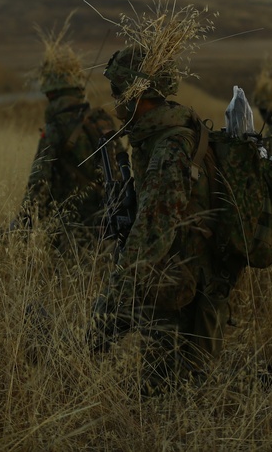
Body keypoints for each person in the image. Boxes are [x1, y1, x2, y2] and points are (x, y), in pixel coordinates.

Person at [89, 44, 244, 393]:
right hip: (182, 280)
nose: (115, 104)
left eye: (118, 92)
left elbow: (153, 231)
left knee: (170, 393)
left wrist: (111, 305)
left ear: (138, 94)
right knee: (186, 387)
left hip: (184, 287)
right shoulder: (165, 135)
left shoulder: (169, 147)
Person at [10, 24, 121, 259]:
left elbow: (38, 183)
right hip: (109, 223)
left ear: (51, 93)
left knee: (66, 288)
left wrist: (20, 227)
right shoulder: (102, 121)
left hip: (68, 229)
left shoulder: (55, 128)